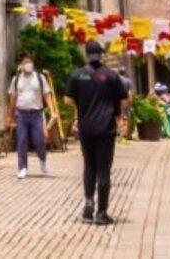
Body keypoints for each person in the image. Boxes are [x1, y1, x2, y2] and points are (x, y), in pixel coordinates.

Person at [66, 40, 129, 226]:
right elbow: (124, 100)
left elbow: (67, 100)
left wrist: (82, 104)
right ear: (101, 54)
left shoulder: (77, 75)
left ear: (86, 54)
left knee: (89, 166)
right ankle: (101, 212)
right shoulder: (111, 76)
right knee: (103, 170)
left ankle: (88, 202)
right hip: (106, 129)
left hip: (86, 128)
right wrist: (114, 108)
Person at [5, 51, 50, 179]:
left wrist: (52, 110)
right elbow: (12, 99)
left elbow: (47, 95)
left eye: (29, 61)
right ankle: (22, 167)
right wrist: (9, 116)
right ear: (20, 65)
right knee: (22, 141)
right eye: (25, 62)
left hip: (37, 114)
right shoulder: (16, 79)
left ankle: (43, 159)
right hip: (21, 114)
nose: (28, 64)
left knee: (40, 141)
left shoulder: (40, 78)